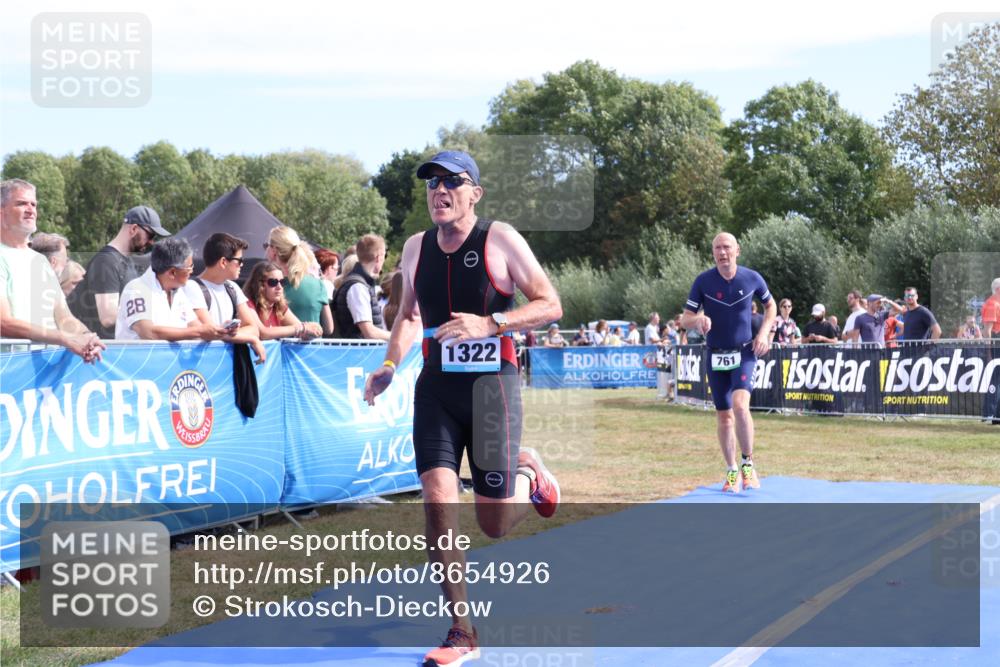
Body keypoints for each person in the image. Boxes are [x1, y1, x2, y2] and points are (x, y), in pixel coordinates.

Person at [363, 150, 562, 665]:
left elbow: (550, 303)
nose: (439, 191)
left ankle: (528, 472)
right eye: (431, 183)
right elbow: (408, 316)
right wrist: (389, 364)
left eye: (452, 181)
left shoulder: (500, 239)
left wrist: (491, 324)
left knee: (493, 522)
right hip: (436, 391)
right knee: (436, 503)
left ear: (476, 192)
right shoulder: (413, 248)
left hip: (493, 386)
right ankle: (462, 631)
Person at [681, 232, 775, 493]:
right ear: (713, 253)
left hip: (744, 352)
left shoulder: (752, 278)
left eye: (727, 248)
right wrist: (697, 320)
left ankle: (748, 464)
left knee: (740, 405)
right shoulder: (703, 282)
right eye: (717, 248)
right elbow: (684, 319)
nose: (722, 253)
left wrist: (764, 333)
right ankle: (732, 470)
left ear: (737, 251)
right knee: (724, 416)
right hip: (715, 354)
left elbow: (771, 307)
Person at [0, 178, 104, 362]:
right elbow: (4, 323)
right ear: (2, 212)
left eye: (34, 204)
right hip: (9, 370)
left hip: (42, 371)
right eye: (21, 203)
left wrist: (87, 337)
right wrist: (64, 338)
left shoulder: (39, 261)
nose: (31, 210)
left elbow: (64, 318)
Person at [67, 205, 170, 339]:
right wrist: (148, 317)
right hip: (99, 353)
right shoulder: (105, 261)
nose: (151, 242)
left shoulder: (128, 262)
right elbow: (108, 317)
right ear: (133, 229)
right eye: (150, 235)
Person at [115, 237, 227, 342]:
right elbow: (148, 332)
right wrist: (199, 332)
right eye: (190, 267)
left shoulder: (178, 291)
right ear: (172, 272)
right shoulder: (136, 289)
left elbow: (194, 325)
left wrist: (219, 331)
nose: (192, 271)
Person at [182, 233, 266, 361]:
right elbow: (209, 332)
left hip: (227, 366)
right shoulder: (192, 287)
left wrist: (233, 333)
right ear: (223, 262)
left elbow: (253, 329)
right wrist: (249, 337)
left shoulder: (232, 287)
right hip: (202, 365)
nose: (242, 265)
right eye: (239, 261)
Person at [264, 226, 333, 335]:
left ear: (274, 251)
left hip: (280, 351)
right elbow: (329, 329)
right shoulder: (318, 284)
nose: (266, 249)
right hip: (313, 350)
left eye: (266, 245)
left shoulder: (269, 286)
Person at [331, 233, 390, 340]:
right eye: (384, 256)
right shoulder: (357, 287)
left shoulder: (359, 284)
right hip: (358, 355)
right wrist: (398, 337)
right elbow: (369, 332)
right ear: (378, 257)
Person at [242, 261, 321, 340]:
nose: (279, 287)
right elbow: (262, 333)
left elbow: (302, 331)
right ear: (260, 285)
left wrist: (313, 329)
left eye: (282, 282)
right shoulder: (247, 305)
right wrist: (300, 328)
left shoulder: (279, 307)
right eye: (273, 282)